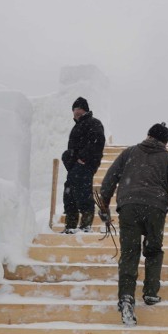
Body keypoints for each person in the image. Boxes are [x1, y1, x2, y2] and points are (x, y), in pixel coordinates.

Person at [99, 123, 168, 326]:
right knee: (154, 250)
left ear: (148, 135)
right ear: (165, 142)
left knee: (130, 253)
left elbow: (109, 179)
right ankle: (150, 292)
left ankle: (126, 298)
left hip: (129, 205)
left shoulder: (129, 153)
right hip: (155, 208)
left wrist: (104, 206)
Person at [61, 97, 105, 233]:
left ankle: (86, 226)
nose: (76, 112)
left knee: (83, 193)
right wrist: (69, 159)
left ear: (85, 110)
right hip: (75, 166)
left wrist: (83, 158)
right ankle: (70, 226)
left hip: (85, 165)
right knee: (69, 195)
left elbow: (97, 143)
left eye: (79, 109)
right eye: (74, 109)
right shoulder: (77, 126)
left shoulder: (93, 123)